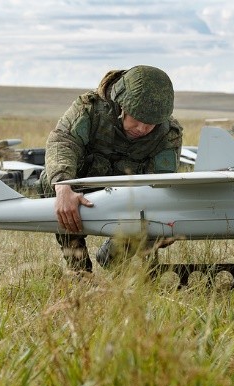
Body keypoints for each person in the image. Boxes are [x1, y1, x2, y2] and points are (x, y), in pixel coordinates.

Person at [38, 65, 183, 273]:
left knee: (116, 256)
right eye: (138, 119)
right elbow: (63, 141)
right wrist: (63, 185)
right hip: (86, 188)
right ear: (121, 104)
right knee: (48, 181)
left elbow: (160, 189)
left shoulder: (167, 134)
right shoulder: (90, 110)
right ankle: (78, 269)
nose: (142, 129)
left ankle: (122, 265)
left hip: (133, 200)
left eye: (151, 124)